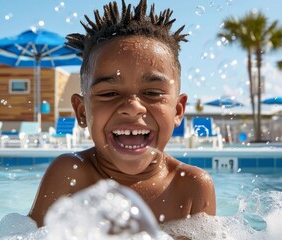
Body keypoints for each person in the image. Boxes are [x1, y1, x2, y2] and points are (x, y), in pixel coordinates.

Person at [28, 0, 216, 227]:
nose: (133, 106)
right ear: (82, 111)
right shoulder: (71, 173)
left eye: (152, 92)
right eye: (109, 93)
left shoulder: (192, 186)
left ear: (178, 110)